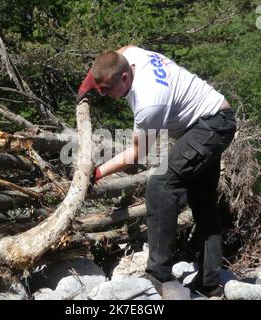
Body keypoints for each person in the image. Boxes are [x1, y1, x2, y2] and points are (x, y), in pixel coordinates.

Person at [77, 45, 236, 297]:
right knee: (202, 201)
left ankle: (158, 274)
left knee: (161, 184)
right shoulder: (131, 56)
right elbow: (121, 50)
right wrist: (89, 82)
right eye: (100, 89)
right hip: (212, 119)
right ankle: (210, 283)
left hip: (212, 125)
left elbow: (137, 154)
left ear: (126, 78)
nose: (103, 94)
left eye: (106, 89)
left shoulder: (149, 103)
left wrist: (97, 173)